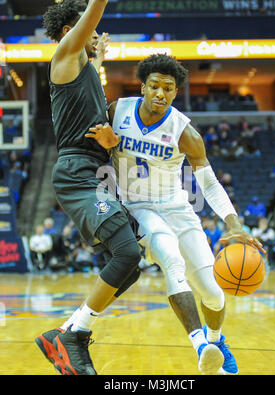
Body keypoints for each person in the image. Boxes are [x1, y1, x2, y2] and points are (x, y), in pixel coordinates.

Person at [87, 54, 265, 375]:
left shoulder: (185, 132)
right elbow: (93, 145)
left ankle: (216, 341)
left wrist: (234, 223)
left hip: (178, 208)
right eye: (154, 85)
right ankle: (201, 346)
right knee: (170, 257)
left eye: (168, 89)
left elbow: (208, 184)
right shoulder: (117, 111)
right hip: (138, 206)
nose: (160, 93)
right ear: (143, 86)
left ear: (175, 92)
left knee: (213, 292)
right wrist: (108, 147)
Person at [35, 0, 142, 376]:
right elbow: (92, 12)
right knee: (128, 253)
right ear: (71, 32)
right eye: (90, 33)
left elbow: (93, 85)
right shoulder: (64, 55)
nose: (94, 37)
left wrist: (101, 59)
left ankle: (65, 332)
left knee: (131, 269)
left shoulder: (86, 71)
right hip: (77, 170)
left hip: (97, 170)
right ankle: (74, 336)